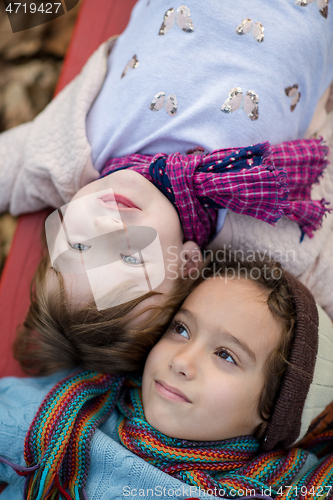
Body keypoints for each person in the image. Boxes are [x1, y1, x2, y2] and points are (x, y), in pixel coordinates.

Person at [1, 0, 333, 373]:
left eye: (80, 245)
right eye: (130, 259)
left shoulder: (63, 160)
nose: (108, 226)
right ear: (188, 263)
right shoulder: (254, 225)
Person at [1, 257, 333, 500]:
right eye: (181, 329)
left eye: (226, 355)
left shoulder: (292, 486)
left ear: (276, 410)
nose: (181, 361)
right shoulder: (65, 412)